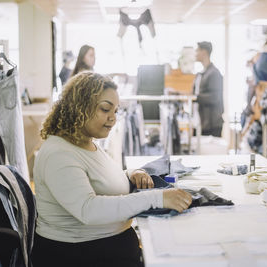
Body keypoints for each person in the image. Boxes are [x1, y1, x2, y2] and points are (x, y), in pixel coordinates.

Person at [32, 71, 192, 267]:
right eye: (105, 109)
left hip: (103, 248)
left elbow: (99, 179)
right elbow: (87, 209)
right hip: (79, 255)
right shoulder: (59, 153)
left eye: (115, 111)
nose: (113, 118)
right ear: (79, 108)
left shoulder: (85, 142)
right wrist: (157, 198)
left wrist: (131, 174)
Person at [193, 41, 224, 137]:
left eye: (197, 50)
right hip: (200, 122)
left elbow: (215, 97)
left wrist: (196, 98)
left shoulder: (214, 73)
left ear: (204, 52)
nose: (195, 53)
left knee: (210, 151)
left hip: (212, 124)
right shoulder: (200, 74)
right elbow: (193, 93)